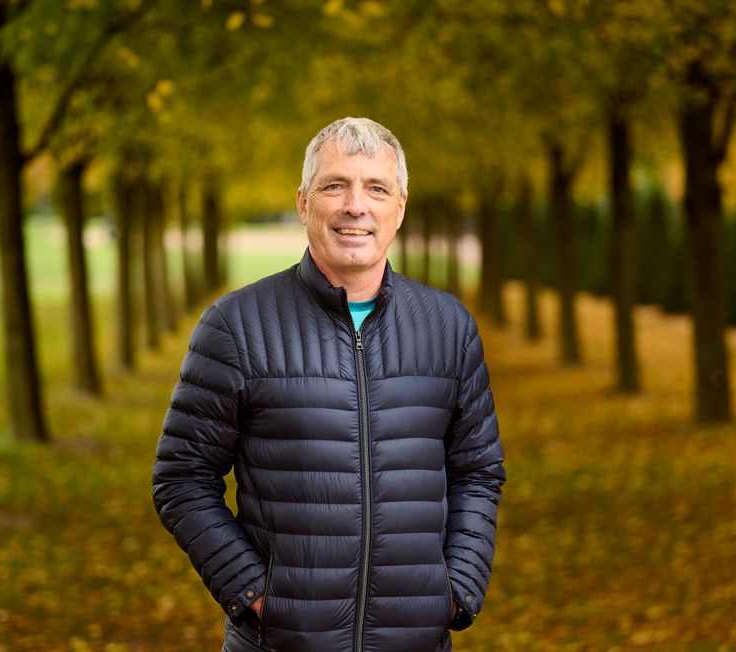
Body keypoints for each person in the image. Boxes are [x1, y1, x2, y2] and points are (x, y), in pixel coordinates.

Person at [152, 117, 505, 652]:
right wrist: (255, 594)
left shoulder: (448, 328)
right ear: (303, 203)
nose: (355, 206)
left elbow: (478, 471)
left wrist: (456, 588)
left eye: (376, 188)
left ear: (400, 207)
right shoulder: (236, 326)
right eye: (335, 185)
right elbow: (182, 478)